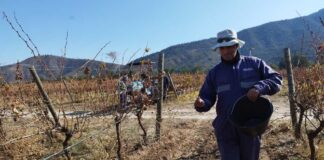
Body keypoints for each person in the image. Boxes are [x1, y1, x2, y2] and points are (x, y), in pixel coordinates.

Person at [194, 29, 282, 160]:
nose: (226, 51)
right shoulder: (214, 73)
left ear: (236, 45)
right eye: (222, 48)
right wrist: (202, 103)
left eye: (229, 47)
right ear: (219, 49)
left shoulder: (255, 64)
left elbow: (276, 79)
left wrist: (259, 88)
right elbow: (207, 96)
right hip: (225, 127)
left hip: (250, 126)